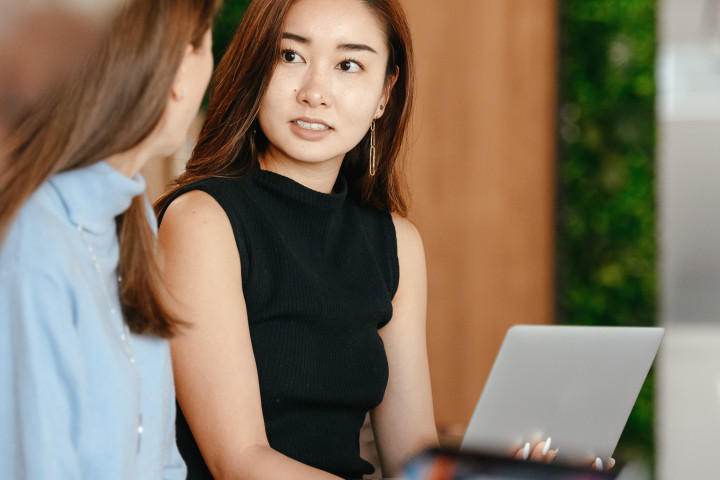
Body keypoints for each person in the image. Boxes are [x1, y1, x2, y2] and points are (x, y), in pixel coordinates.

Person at [155, 0, 440, 478]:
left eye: (349, 65)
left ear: (385, 94)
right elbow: (240, 461)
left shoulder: (397, 244)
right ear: (254, 66)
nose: (315, 92)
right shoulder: (202, 220)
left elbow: (415, 458)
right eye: (290, 56)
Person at [0, 0, 217, 478]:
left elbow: (162, 462)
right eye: (207, 44)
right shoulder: (32, 243)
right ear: (178, 69)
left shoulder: (134, 211)